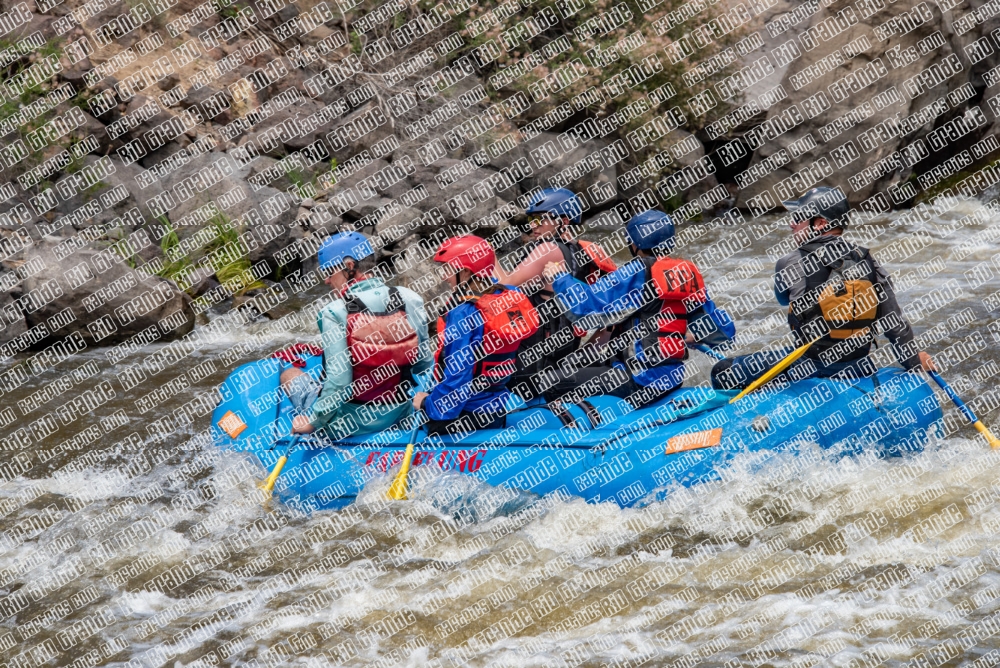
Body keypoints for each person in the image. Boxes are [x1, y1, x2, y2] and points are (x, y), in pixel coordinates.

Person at [709, 186, 936, 391]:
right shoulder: (868, 260)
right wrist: (914, 362)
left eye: (799, 217)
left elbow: (783, 300)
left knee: (723, 370)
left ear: (820, 223)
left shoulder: (790, 262)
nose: (792, 223)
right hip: (859, 366)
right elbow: (894, 324)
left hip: (812, 367)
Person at [542, 209, 736, 409]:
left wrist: (560, 278)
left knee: (549, 382)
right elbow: (724, 333)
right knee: (585, 365)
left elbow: (585, 308)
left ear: (634, 244)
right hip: (671, 379)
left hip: (639, 381)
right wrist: (689, 336)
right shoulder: (685, 274)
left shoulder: (637, 271)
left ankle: (577, 424)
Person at [279, 231, 431, 437]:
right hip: (399, 414)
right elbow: (423, 364)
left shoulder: (334, 311)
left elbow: (340, 383)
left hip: (347, 425)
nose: (326, 280)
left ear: (349, 267)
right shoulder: (409, 298)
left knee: (289, 375)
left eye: (330, 271)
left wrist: (312, 422)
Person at [497, 189, 619, 401]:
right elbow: (609, 324)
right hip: (558, 368)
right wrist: (578, 360)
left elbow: (503, 284)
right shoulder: (588, 254)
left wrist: (486, 254)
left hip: (528, 373)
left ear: (562, 221)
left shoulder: (548, 250)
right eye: (531, 219)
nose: (533, 226)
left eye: (540, 219)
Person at [413, 235, 540, 436]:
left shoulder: (463, 312)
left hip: (463, 418)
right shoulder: (509, 296)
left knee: (418, 404)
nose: (445, 276)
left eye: (448, 269)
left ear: (465, 273)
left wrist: (427, 404)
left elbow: (458, 379)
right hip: (495, 412)